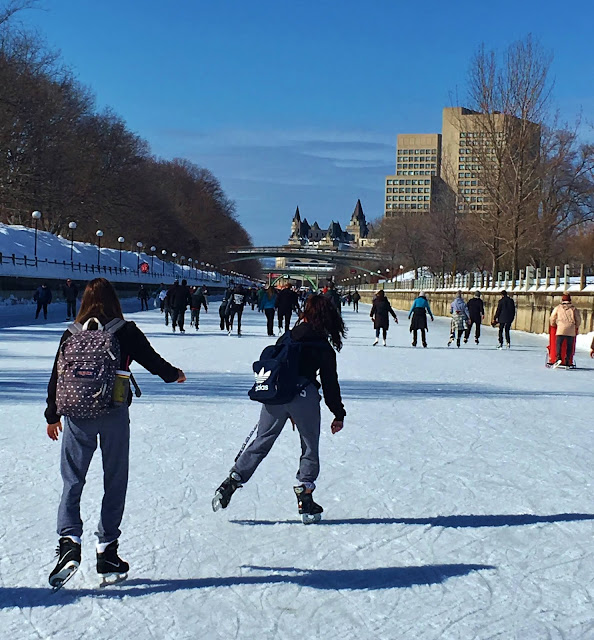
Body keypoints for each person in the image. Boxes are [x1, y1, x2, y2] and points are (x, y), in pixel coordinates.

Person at [44, 278, 186, 588]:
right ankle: (107, 549)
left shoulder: (71, 332)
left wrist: (52, 415)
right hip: (113, 412)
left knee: (72, 479)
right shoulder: (124, 330)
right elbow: (151, 360)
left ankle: (69, 541)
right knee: (114, 479)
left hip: (76, 416)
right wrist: (173, 374)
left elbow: (57, 373)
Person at [213, 294, 346, 521]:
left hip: (275, 396)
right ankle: (305, 494)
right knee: (309, 445)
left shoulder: (288, 337)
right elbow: (329, 383)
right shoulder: (322, 345)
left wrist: (282, 396)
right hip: (304, 396)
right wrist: (338, 412)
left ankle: (233, 480)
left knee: (261, 441)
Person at [550, 293, 581, 367]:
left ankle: (558, 358)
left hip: (561, 329)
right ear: (570, 300)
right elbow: (578, 320)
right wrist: (575, 326)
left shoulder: (558, 308)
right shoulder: (574, 309)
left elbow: (552, 318)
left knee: (558, 344)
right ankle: (568, 360)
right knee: (569, 346)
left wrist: (553, 325)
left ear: (562, 300)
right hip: (571, 330)